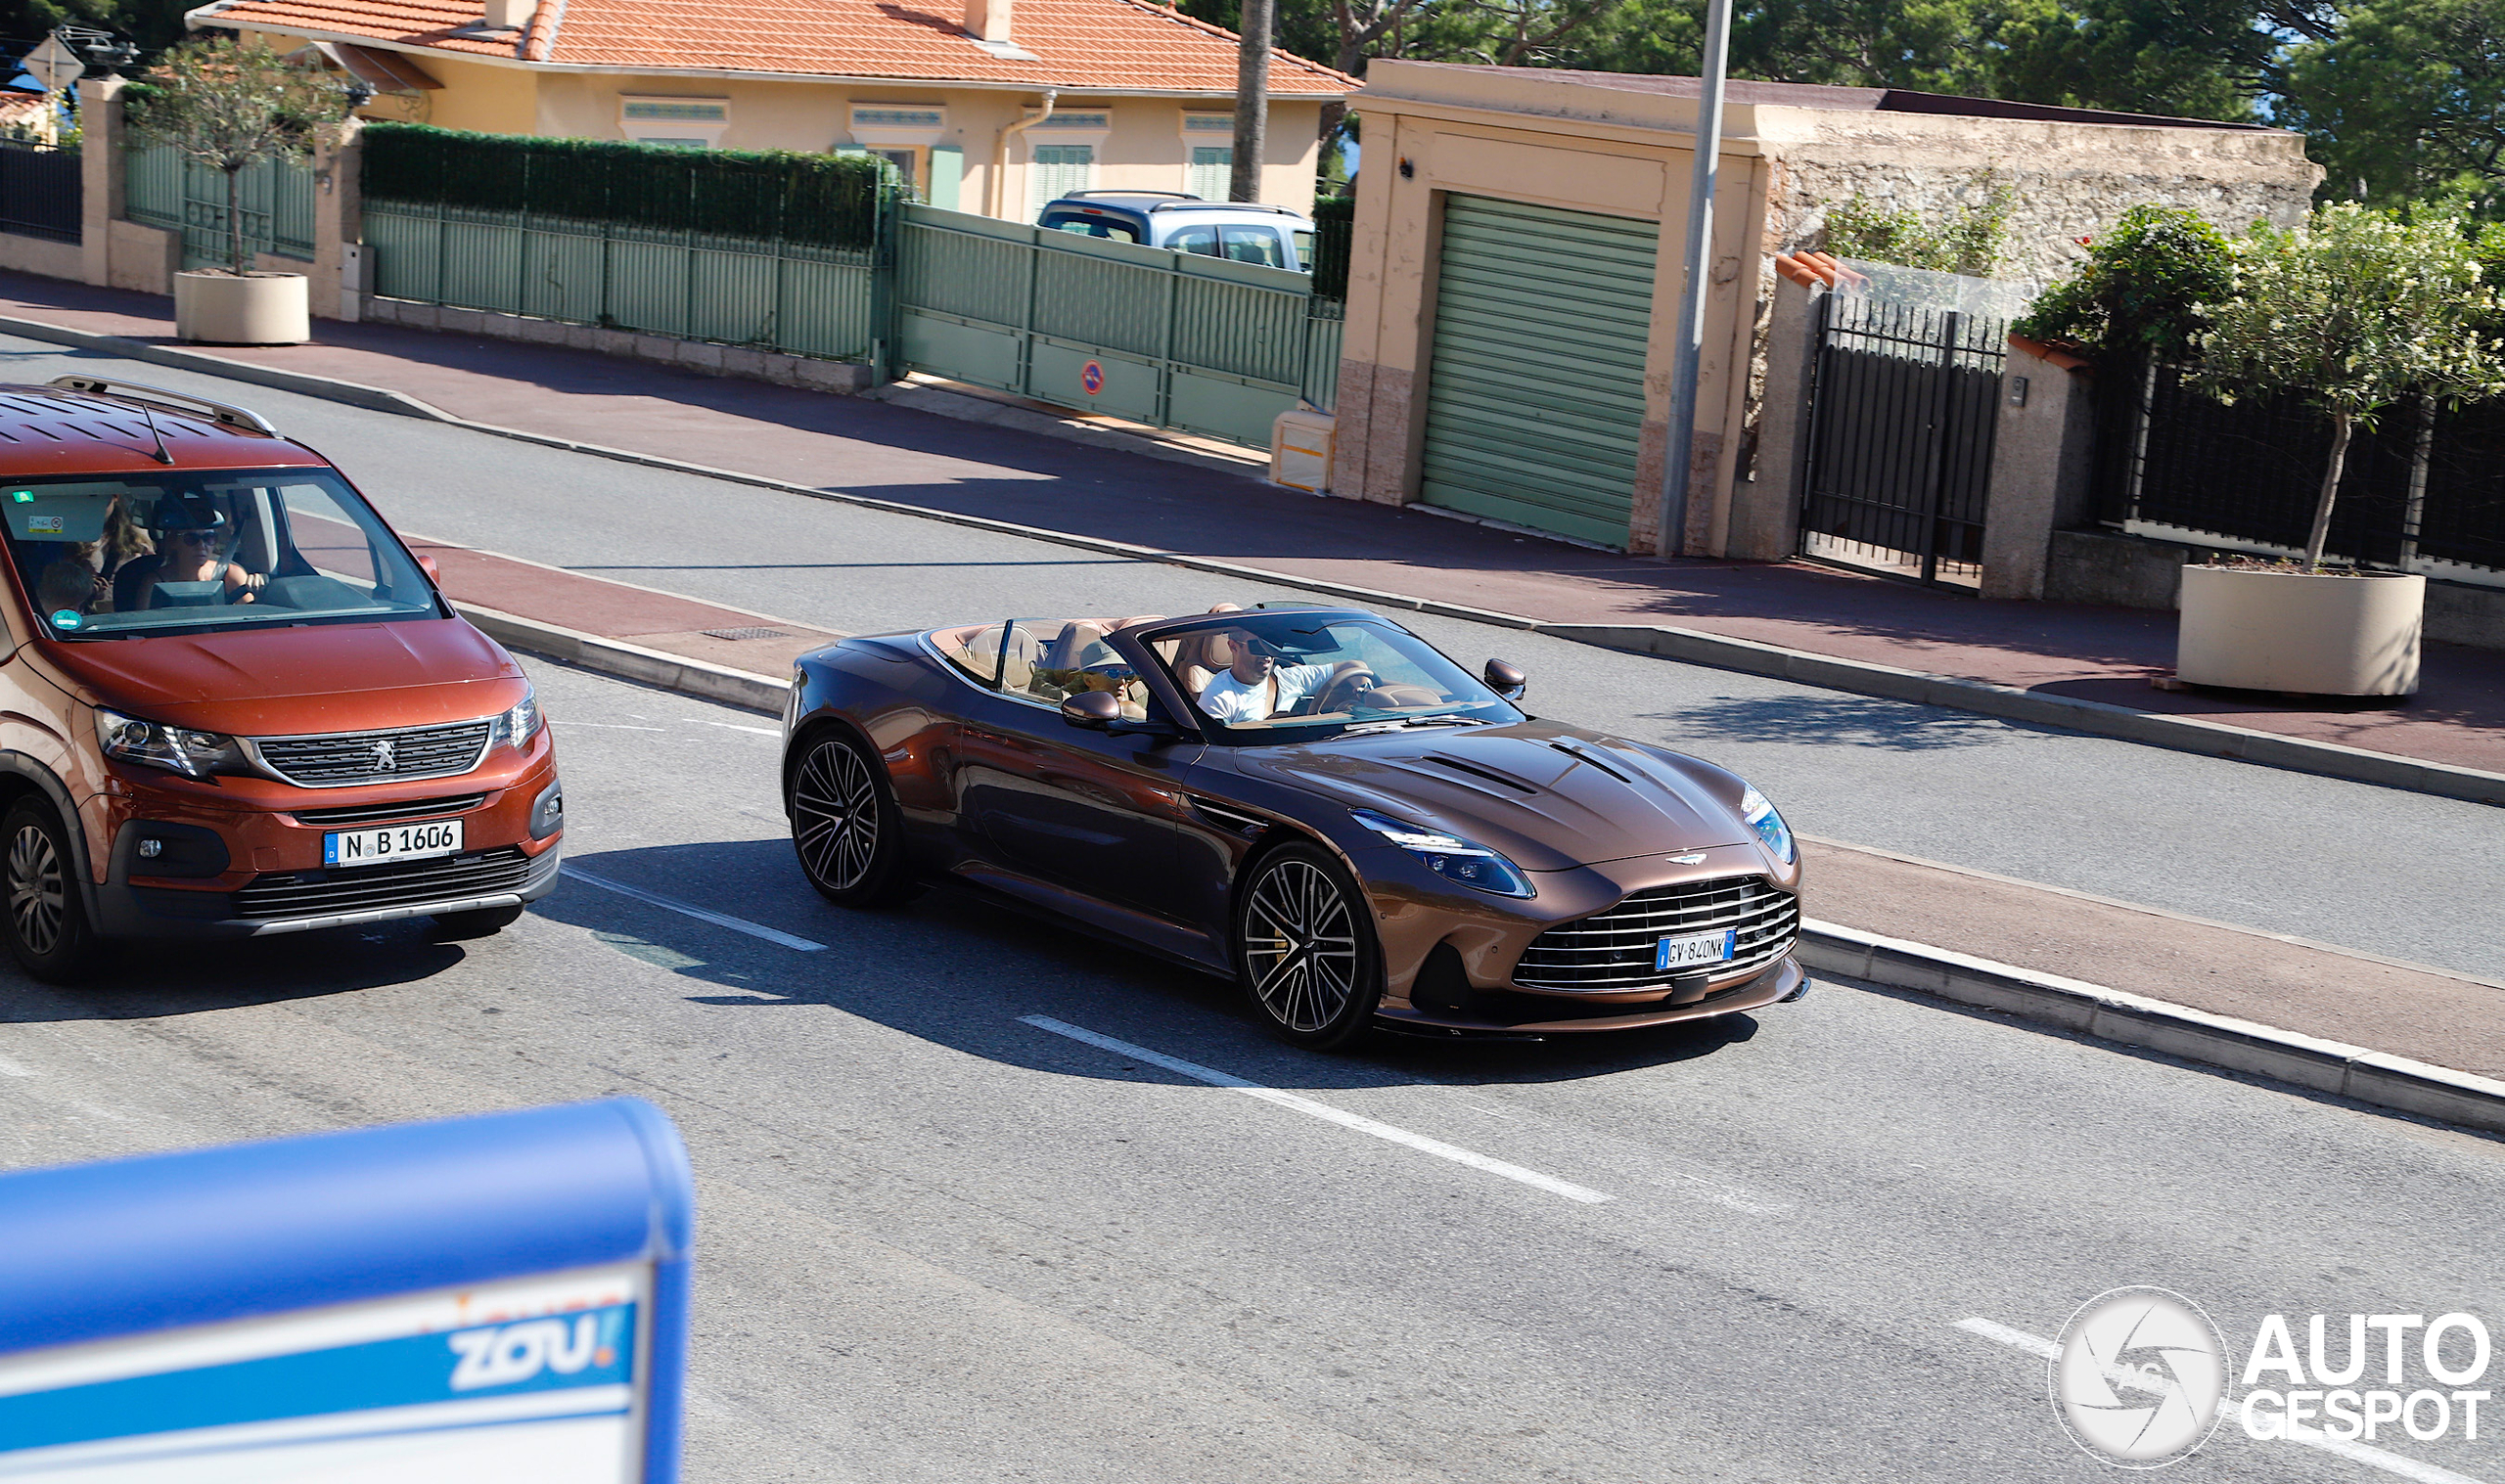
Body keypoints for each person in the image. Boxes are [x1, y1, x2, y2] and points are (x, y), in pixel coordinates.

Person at [1196, 631, 1374, 724]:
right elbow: (1211, 750)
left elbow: (1353, 666)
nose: (1267, 655)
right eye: (1258, 647)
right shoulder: (1219, 696)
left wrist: (1365, 695)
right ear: (1234, 647)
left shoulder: (1289, 678)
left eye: (1271, 647)